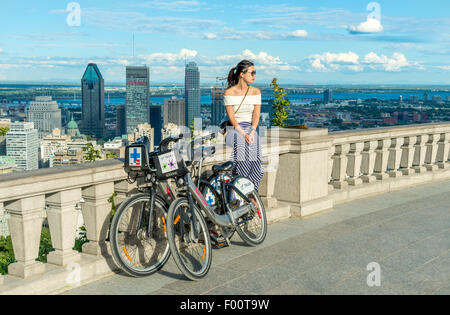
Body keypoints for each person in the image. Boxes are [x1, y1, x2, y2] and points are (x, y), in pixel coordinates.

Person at [224, 60, 264, 192]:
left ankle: (252, 190)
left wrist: (252, 132)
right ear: (242, 74)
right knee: (241, 145)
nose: (254, 75)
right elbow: (232, 118)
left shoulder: (256, 92)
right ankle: (240, 183)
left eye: (255, 73)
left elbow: (256, 115)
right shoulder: (229, 93)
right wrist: (243, 133)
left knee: (256, 149)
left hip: (250, 128)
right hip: (234, 129)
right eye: (252, 72)